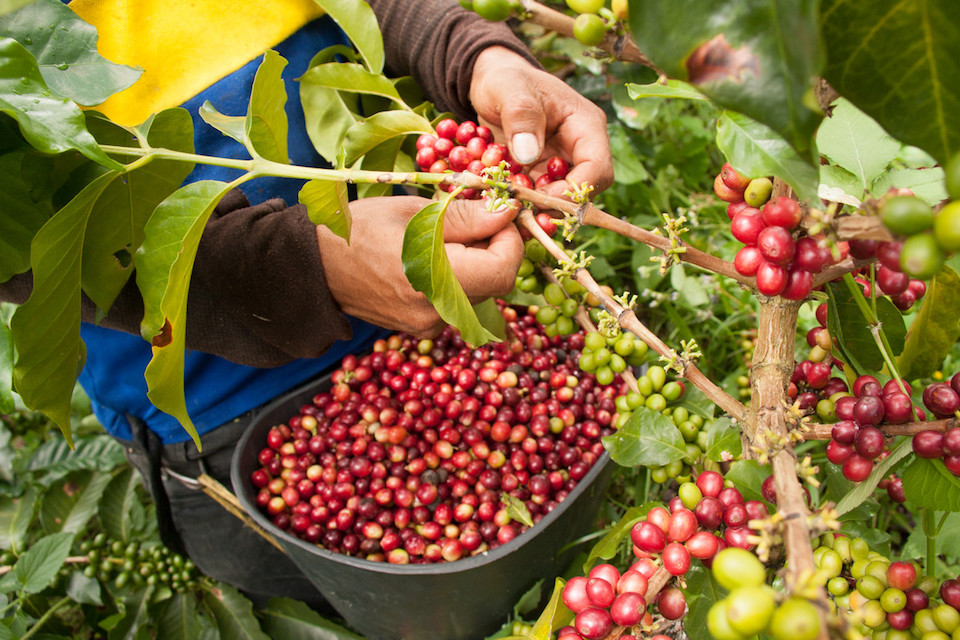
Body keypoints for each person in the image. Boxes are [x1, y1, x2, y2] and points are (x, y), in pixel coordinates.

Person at [1, 0, 612, 611]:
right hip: (214, 405)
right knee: (362, 604)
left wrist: (472, 54)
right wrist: (296, 270)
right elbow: (18, 227)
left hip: (423, 312)